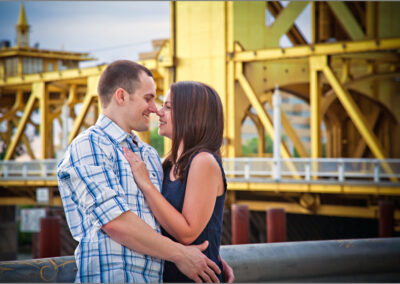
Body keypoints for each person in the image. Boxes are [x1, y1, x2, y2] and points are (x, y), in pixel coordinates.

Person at [57, 60, 223, 283]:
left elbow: (166, 223)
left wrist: (209, 255)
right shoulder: (89, 145)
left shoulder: (149, 155)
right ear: (122, 96)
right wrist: (183, 254)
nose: (155, 109)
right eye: (149, 98)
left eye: (165, 105)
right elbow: (115, 222)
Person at [123, 81, 231, 282]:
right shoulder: (169, 164)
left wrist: (146, 184)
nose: (159, 112)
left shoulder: (203, 161)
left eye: (168, 107)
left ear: (191, 114)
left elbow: (188, 233)